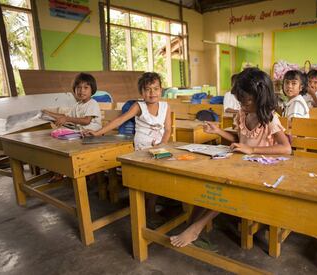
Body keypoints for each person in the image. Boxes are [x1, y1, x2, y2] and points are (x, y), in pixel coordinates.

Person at [170, 68, 291, 248]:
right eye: (240, 101)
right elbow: (239, 140)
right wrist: (218, 131)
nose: (243, 105)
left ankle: (196, 228)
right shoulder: (242, 114)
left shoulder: (270, 119)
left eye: (247, 101)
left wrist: (251, 149)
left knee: (226, 189)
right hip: (241, 166)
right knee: (208, 183)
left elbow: (286, 148)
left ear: (261, 97)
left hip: (263, 171)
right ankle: (191, 224)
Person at [85, 72, 171, 222]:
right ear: (141, 92)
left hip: (160, 147)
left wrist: (162, 144)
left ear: (161, 90)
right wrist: (98, 133)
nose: (152, 93)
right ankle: (148, 212)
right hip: (142, 149)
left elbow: (168, 129)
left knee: (160, 177)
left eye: (155, 89)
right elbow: (120, 120)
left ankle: (152, 205)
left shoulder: (165, 106)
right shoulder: (139, 106)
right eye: (147, 89)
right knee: (148, 179)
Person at [42, 72, 102, 183]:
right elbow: (65, 117)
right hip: (81, 134)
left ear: (92, 90)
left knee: (64, 145)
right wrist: (48, 113)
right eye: (78, 87)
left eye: (85, 87)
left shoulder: (92, 103)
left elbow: (86, 121)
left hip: (93, 136)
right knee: (56, 142)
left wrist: (67, 119)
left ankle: (81, 172)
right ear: (74, 90)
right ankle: (59, 171)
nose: (81, 91)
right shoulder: (77, 105)